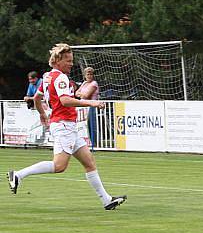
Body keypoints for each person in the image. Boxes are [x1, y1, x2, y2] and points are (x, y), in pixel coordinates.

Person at [7, 44, 126, 210]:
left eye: (72, 60)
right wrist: (91, 102)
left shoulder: (47, 77)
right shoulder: (60, 78)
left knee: (89, 162)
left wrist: (42, 114)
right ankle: (18, 175)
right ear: (57, 60)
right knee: (59, 166)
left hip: (66, 125)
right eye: (68, 61)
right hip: (64, 125)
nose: (71, 64)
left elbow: (36, 98)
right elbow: (65, 101)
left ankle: (107, 200)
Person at [76, 67, 100, 148]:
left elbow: (86, 95)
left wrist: (81, 94)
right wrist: (81, 94)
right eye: (88, 74)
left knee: (91, 124)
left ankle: (94, 143)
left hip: (91, 106)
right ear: (85, 75)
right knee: (83, 125)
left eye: (91, 74)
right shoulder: (84, 83)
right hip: (83, 107)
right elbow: (76, 93)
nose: (89, 76)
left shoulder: (94, 83)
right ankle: (85, 142)